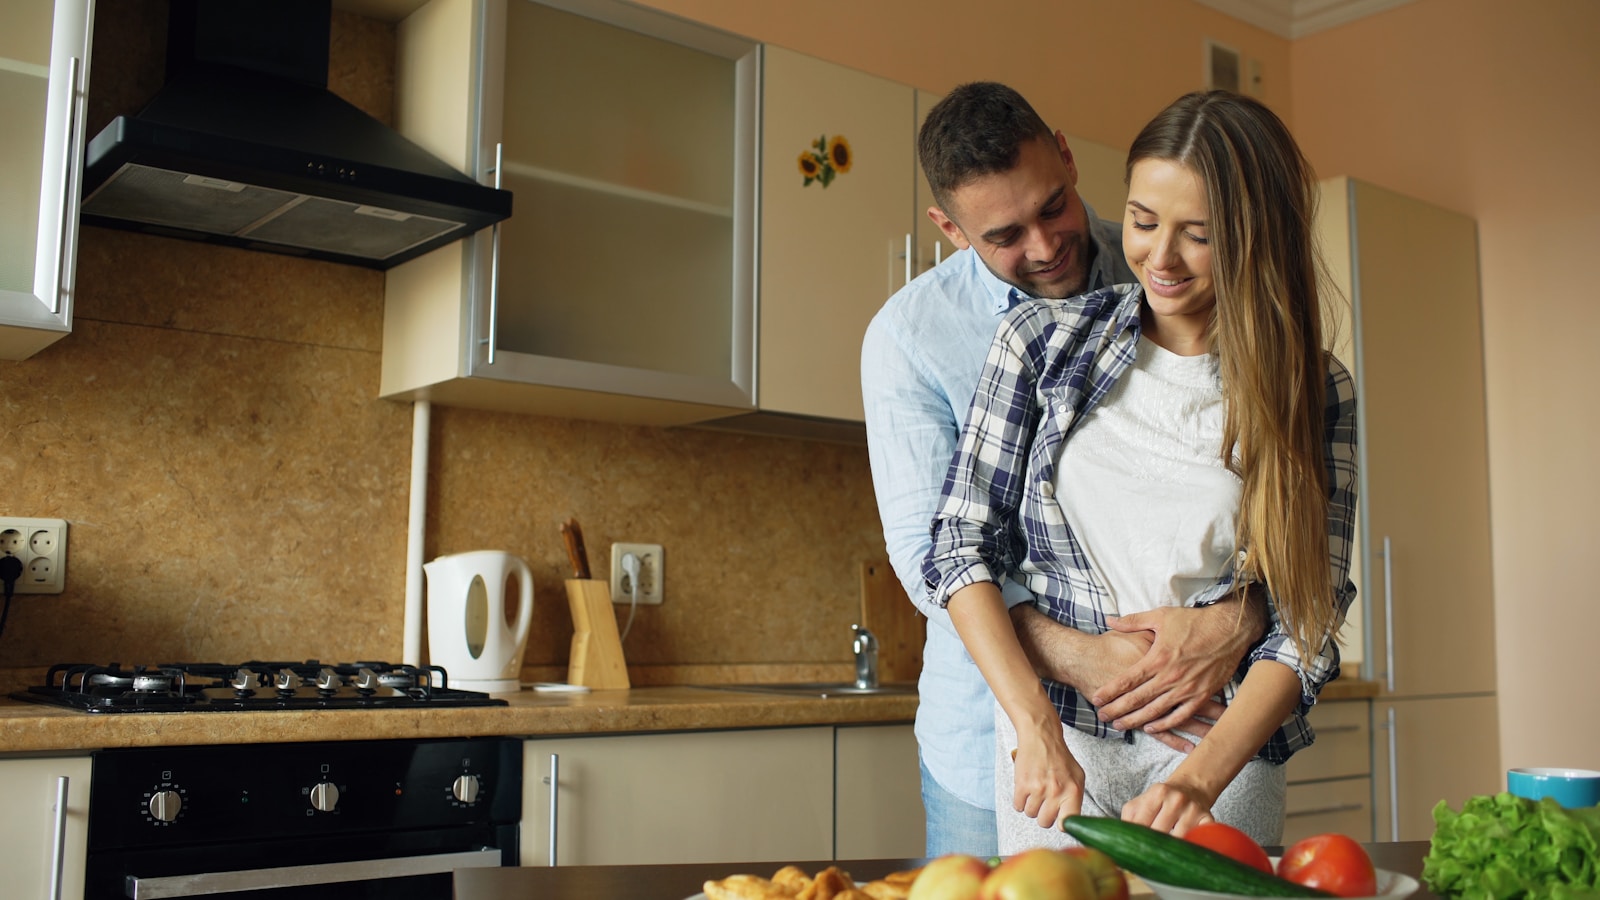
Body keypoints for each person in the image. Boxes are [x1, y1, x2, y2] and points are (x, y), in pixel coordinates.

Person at [922, 89, 1359, 851]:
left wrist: (1201, 779)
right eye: (1144, 221)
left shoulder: (1312, 387)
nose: (1159, 257)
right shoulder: (1041, 343)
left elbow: (1308, 616)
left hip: (1219, 756)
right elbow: (959, 548)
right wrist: (1033, 722)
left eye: (1199, 234)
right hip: (1059, 754)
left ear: (1257, 237)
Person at [862, 82, 1271, 858]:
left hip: (1194, 717)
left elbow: (1264, 515)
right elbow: (935, 557)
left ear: (1069, 157)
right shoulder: (909, 338)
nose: (1047, 246)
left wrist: (1237, 619)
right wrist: (1082, 660)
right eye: (1005, 234)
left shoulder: (1161, 261)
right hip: (1004, 735)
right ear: (950, 230)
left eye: (1055, 206)